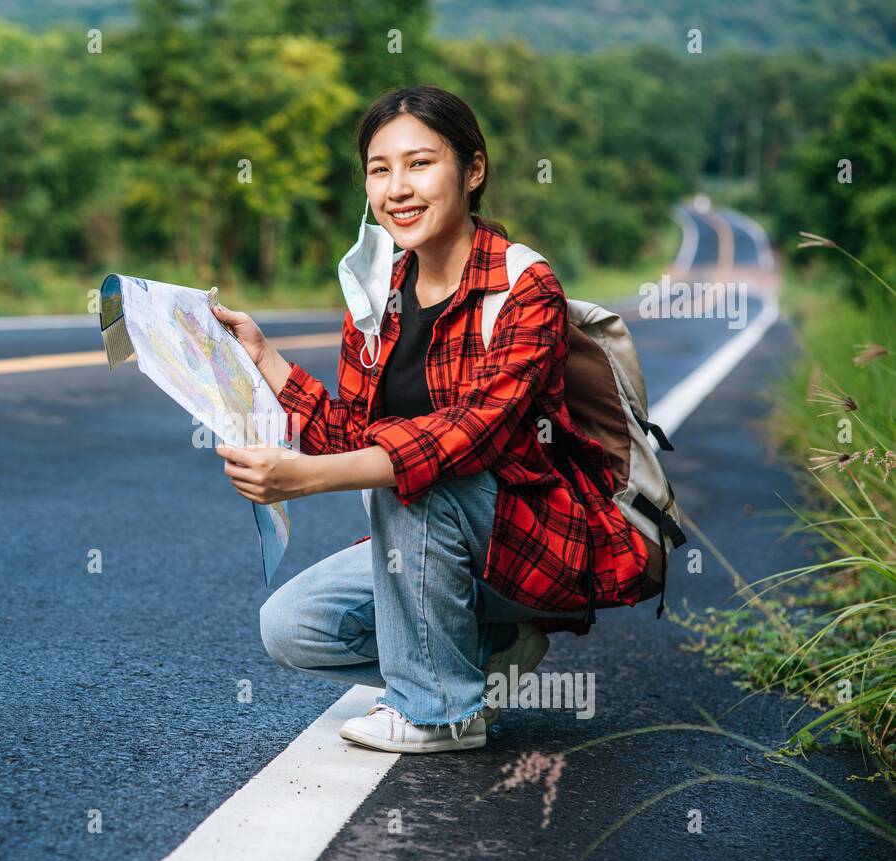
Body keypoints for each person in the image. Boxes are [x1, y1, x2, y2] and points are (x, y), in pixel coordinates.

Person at [211, 85, 652, 754]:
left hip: (533, 543)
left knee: (417, 472)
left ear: (472, 171)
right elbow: (349, 436)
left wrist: (303, 479)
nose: (397, 188)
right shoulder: (379, 293)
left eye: (420, 163)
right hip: (432, 543)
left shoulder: (524, 286)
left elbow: (464, 436)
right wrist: (264, 357)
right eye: (379, 169)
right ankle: (483, 655)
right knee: (291, 627)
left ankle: (441, 712)